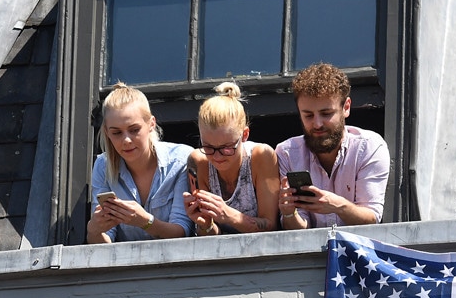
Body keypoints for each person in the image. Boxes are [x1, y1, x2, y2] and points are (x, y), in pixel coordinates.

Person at [276, 62, 390, 229]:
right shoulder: (286, 153)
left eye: (326, 114)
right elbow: (299, 229)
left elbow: (372, 218)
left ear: (346, 107)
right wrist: (288, 213)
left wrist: (338, 206)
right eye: (308, 115)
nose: (317, 124)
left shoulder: (369, 147)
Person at [87, 83, 195, 244]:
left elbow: (183, 231)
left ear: (151, 124)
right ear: (106, 132)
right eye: (116, 132)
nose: (126, 140)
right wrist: (94, 229)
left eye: (134, 129)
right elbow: (104, 242)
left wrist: (146, 222)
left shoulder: (180, 160)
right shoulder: (103, 166)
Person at [183, 82, 280, 236]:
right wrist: (205, 225)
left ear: (245, 135)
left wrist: (229, 215)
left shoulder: (261, 156)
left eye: (226, 148)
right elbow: (209, 235)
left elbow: (271, 226)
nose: (216, 156)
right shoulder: (198, 162)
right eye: (208, 147)